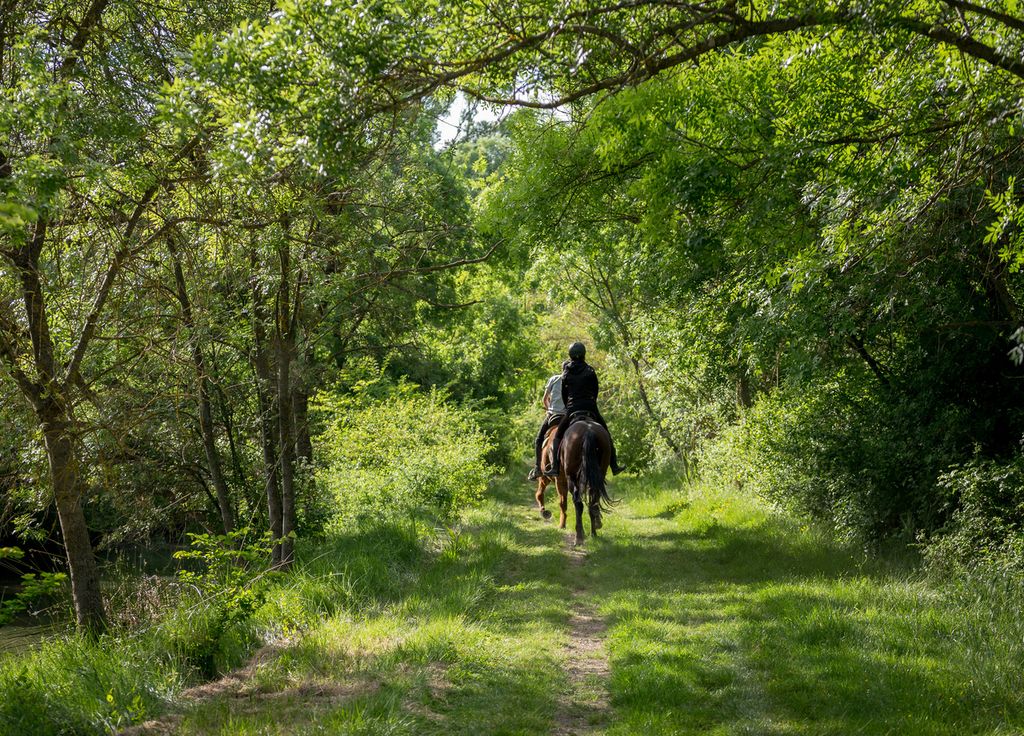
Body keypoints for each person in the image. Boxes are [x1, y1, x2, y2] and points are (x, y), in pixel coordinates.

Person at [544, 341, 623, 477]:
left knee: (557, 435)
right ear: (584, 354)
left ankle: (555, 467)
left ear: (570, 355)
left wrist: (569, 406)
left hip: (572, 408)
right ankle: (614, 465)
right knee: (606, 432)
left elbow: (564, 393)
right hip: (590, 407)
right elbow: (595, 390)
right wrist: (591, 402)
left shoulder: (566, 372)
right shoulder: (590, 370)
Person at [527, 372, 566, 481]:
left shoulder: (554, 379)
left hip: (553, 415)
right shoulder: (573, 380)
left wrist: (549, 409)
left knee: (539, 439)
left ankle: (538, 468)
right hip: (568, 416)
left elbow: (545, 399)